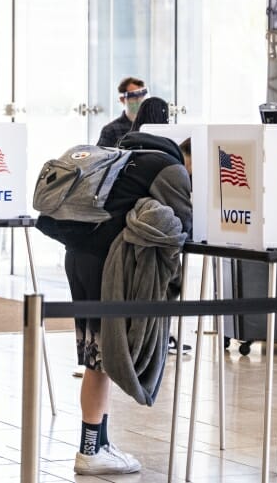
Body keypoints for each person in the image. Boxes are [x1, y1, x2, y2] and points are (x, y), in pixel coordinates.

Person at [36, 130, 192, 476]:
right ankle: (90, 450)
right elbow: (185, 225)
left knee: (96, 357)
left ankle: (98, 443)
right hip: (110, 268)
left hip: (78, 258)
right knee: (99, 360)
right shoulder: (171, 169)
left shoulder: (125, 158)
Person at [96, 77, 148, 147]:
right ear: (123, 100)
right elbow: (102, 156)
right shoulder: (111, 130)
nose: (140, 100)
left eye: (142, 96)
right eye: (135, 97)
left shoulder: (151, 126)